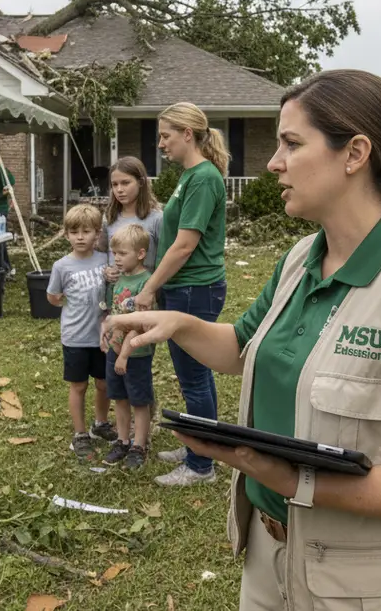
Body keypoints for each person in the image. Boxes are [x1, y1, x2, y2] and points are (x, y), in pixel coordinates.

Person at [106, 69, 381, 610]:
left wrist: (291, 480)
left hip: (373, 587)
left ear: (354, 153)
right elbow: (243, 347)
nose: (272, 161)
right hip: (272, 556)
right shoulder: (298, 261)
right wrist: (178, 324)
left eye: (291, 143)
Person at [133, 102, 229, 487]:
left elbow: (184, 245)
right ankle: (201, 445)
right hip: (186, 287)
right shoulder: (192, 176)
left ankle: (200, 465)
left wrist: (149, 287)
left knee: (193, 376)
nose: (161, 144)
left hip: (195, 288)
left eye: (165, 136)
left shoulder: (203, 178)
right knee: (196, 374)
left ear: (188, 134)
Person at [45, 204, 117, 461]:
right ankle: (80, 434)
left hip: (102, 336)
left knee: (104, 383)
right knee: (78, 385)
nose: (80, 237)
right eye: (74, 232)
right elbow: (53, 297)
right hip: (75, 337)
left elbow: (114, 287)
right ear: (66, 235)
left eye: (86, 231)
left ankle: (100, 424)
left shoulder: (106, 260)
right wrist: (64, 301)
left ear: (97, 234)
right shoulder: (61, 266)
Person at [98, 224, 157, 470]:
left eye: (123, 254)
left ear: (141, 254)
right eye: (115, 254)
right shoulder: (118, 280)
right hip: (114, 351)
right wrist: (105, 333)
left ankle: (139, 445)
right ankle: (122, 441)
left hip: (136, 354)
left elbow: (139, 324)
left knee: (139, 401)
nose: (117, 259)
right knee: (119, 398)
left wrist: (124, 354)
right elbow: (114, 312)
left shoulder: (146, 283)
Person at [99, 156, 162, 273]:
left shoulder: (157, 218)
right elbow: (100, 254)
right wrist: (105, 270)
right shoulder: (109, 217)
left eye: (125, 183)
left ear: (141, 182)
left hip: (145, 289)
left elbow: (165, 259)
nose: (119, 189)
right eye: (115, 184)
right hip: (114, 289)